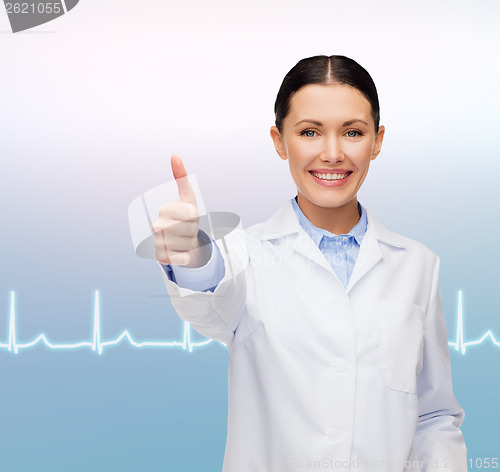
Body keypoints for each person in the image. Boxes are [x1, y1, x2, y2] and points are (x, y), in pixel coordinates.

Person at [153, 55, 468, 472]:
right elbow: (210, 304)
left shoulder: (418, 267)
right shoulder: (244, 256)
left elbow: (434, 416)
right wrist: (192, 254)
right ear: (279, 140)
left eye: (353, 132)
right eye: (309, 132)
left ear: (377, 140)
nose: (333, 153)